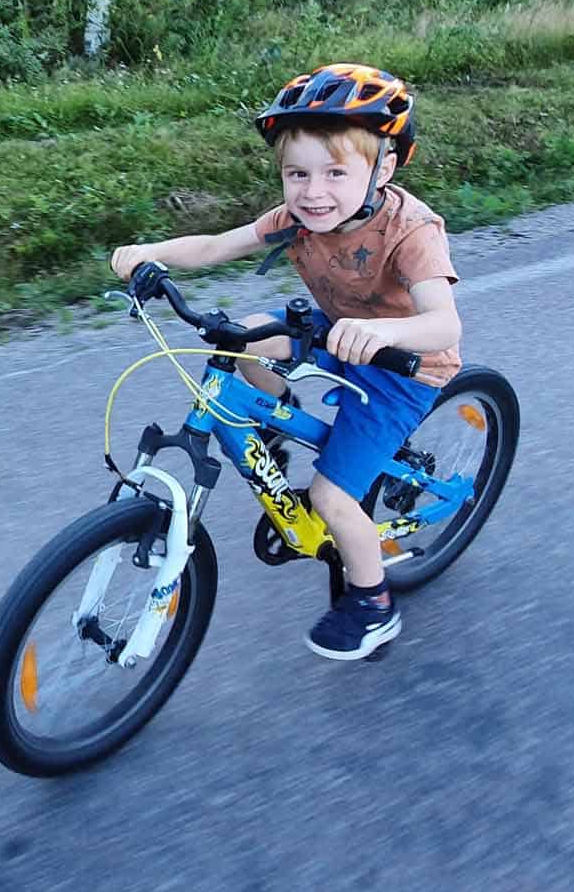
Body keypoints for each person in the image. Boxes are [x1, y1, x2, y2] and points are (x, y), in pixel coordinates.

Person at [110, 64, 463, 660]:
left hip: (404, 364)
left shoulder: (412, 230)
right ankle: (270, 426)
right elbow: (217, 246)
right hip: (334, 329)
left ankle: (373, 606)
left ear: (385, 167)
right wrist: (149, 252)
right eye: (296, 173)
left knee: (330, 497)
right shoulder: (296, 219)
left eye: (335, 173)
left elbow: (445, 324)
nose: (312, 191)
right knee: (240, 337)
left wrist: (377, 331)